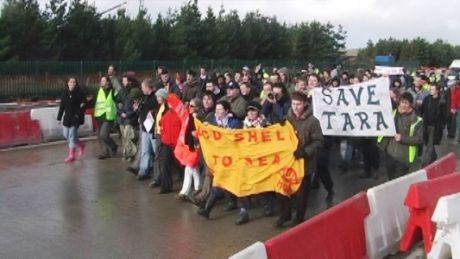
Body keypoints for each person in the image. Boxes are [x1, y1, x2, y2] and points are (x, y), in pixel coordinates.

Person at [276, 91, 323, 227]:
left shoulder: (313, 121)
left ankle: (299, 217)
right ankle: (284, 215)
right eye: (294, 104)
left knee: (301, 193)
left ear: (305, 105)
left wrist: (305, 151)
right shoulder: (287, 119)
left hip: (304, 163)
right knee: (282, 189)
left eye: (299, 104)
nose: (295, 107)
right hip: (288, 162)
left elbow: (319, 141)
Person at [197, 100, 242, 219]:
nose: (218, 112)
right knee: (220, 181)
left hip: (233, 158)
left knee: (222, 182)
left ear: (227, 110)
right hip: (219, 158)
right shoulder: (212, 122)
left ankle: (208, 209)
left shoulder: (235, 123)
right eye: (216, 109)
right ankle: (210, 208)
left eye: (221, 109)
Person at [235, 101, 270, 225]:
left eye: (253, 110)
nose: (250, 113)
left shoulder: (265, 124)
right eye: (249, 110)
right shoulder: (243, 124)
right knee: (243, 184)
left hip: (260, 159)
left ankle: (266, 205)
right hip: (246, 158)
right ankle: (244, 211)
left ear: (258, 112)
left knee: (259, 184)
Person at [378, 92, 423, 180]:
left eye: (406, 103)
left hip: (403, 157)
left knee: (398, 181)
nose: (403, 105)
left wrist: (402, 138)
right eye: (402, 102)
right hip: (390, 154)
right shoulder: (393, 113)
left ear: (411, 104)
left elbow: (419, 139)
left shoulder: (417, 120)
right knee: (390, 180)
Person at [155, 94, 182, 194]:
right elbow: (160, 124)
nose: (170, 104)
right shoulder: (167, 114)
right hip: (167, 143)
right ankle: (166, 186)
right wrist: (163, 135)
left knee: (181, 165)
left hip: (178, 144)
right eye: (169, 102)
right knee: (164, 164)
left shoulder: (181, 114)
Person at [134, 79, 159, 181]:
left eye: (143, 87)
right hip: (145, 128)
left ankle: (158, 174)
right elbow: (143, 110)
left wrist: (141, 107)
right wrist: (138, 109)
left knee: (156, 151)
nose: (142, 89)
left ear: (148, 87)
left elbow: (150, 108)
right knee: (145, 151)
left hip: (152, 129)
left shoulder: (154, 98)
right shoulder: (144, 97)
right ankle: (143, 171)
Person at [57, 77, 87, 163]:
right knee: (66, 135)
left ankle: (71, 155)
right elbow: (62, 106)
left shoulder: (80, 93)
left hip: (76, 118)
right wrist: (59, 118)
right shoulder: (65, 93)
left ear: (76, 84)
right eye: (70, 82)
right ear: (67, 83)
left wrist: (78, 114)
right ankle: (81, 145)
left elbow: (84, 104)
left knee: (71, 136)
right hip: (67, 118)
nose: (72, 83)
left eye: (74, 82)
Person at [117, 75, 141, 162]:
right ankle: (127, 154)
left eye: (125, 81)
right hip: (121, 117)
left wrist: (127, 114)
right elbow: (118, 103)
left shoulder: (134, 92)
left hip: (130, 118)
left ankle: (133, 153)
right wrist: (120, 113)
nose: (123, 83)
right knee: (124, 137)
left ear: (130, 82)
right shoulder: (121, 92)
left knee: (128, 135)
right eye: (123, 81)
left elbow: (136, 106)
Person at [420, 85, 447, 164]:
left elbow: (444, 114)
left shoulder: (442, 101)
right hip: (426, 124)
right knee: (427, 143)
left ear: (437, 91)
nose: (431, 91)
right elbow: (422, 110)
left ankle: (426, 162)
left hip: (435, 126)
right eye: (430, 89)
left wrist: (442, 125)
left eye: (432, 89)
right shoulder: (427, 99)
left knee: (430, 144)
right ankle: (432, 157)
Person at [94, 76, 118, 160]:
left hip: (108, 117)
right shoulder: (99, 91)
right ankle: (105, 152)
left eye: (103, 80)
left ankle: (113, 146)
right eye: (101, 81)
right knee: (100, 137)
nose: (101, 82)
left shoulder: (113, 91)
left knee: (104, 135)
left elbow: (118, 102)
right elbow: (94, 101)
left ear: (108, 82)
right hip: (99, 116)